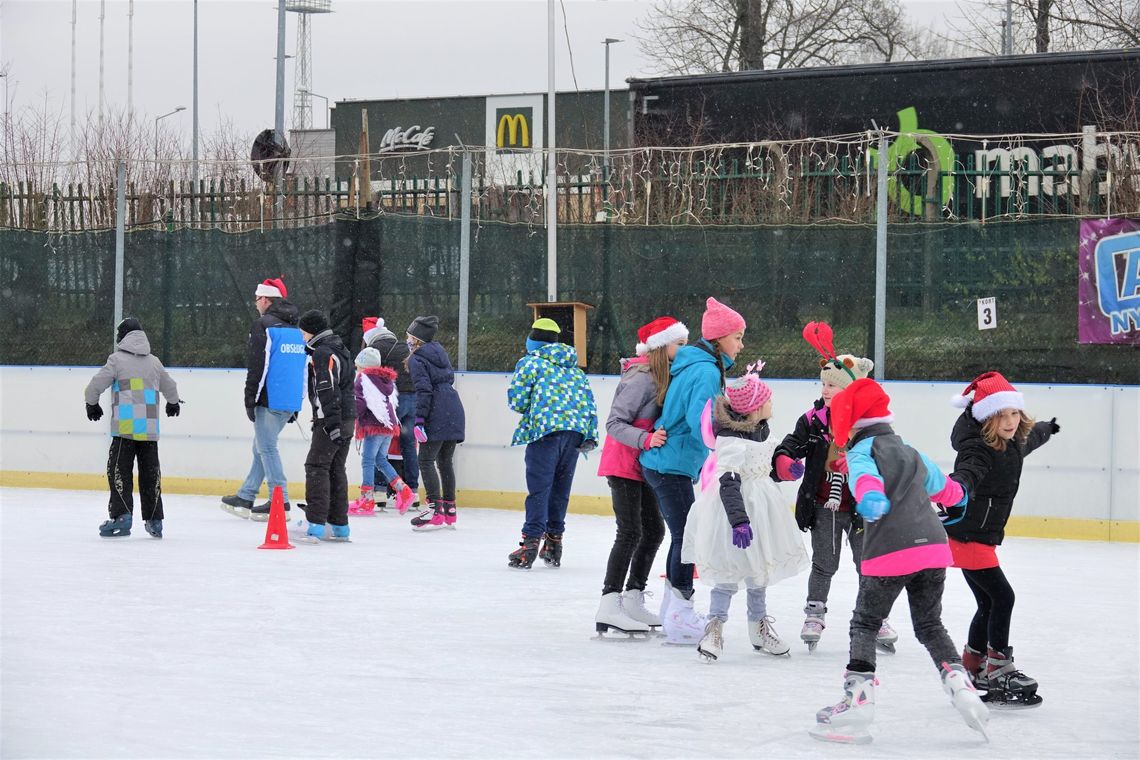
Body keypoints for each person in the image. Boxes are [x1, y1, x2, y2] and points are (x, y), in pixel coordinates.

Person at [810, 378, 988, 745]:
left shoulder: (861, 453)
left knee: (865, 623)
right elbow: (948, 490)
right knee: (929, 624)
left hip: (890, 550)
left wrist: (871, 497)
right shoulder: (911, 451)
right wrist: (960, 496)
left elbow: (865, 479)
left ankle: (858, 701)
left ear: (850, 424)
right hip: (933, 548)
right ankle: (960, 685)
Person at [772, 322, 897, 652]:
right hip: (824, 506)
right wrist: (784, 461)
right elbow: (790, 445)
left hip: (861, 508)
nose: (826, 390)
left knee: (867, 563)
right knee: (824, 564)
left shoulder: (867, 425)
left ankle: (876, 616)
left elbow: (888, 456)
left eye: (834, 385)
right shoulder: (812, 420)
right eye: (824, 383)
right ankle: (815, 613)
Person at [943, 371, 1057, 708]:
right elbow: (968, 472)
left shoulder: (1014, 442)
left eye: (1013, 413)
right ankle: (998, 667)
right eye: (1001, 415)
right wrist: (958, 488)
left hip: (976, 535)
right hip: (968, 536)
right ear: (986, 418)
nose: (1009, 421)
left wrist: (1049, 428)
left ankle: (973, 664)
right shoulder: (978, 449)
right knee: (1003, 597)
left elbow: (1031, 438)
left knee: (988, 602)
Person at [683, 362, 809, 661]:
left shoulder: (762, 430)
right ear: (754, 409)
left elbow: (766, 465)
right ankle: (714, 628)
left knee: (759, 571)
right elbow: (728, 482)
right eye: (768, 400)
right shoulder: (731, 440)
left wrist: (785, 470)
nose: (771, 404)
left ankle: (758, 627)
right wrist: (739, 521)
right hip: (733, 512)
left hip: (764, 509)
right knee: (728, 570)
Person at [640, 297, 746, 645]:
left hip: (671, 464)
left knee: (685, 536)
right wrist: (734, 430)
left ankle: (674, 607)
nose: (741, 345)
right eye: (737, 337)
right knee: (689, 537)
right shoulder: (706, 370)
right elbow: (701, 419)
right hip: (670, 464)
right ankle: (681, 613)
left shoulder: (697, 363)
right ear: (719, 339)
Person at [594, 317, 686, 635]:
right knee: (630, 532)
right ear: (662, 347)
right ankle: (609, 603)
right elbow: (614, 423)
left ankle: (633, 597)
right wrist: (646, 439)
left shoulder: (664, 376)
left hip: (644, 464)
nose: (684, 349)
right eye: (680, 343)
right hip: (623, 464)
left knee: (654, 532)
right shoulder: (642, 376)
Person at [507, 318, 599, 569]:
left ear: (533, 339)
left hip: (546, 432)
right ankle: (554, 542)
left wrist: (539, 407)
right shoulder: (575, 369)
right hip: (576, 434)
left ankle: (530, 544)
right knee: (560, 488)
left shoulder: (530, 362)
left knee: (540, 489)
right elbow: (590, 404)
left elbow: (517, 401)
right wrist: (591, 435)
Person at [84, 317, 181, 538]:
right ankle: (155, 520)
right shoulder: (154, 362)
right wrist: (173, 403)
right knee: (150, 476)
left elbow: (95, 385)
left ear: (123, 337)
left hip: (124, 431)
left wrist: (91, 404)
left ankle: (122, 517)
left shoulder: (116, 360)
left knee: (119, 472)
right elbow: (170, 386)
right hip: (148, 430)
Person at [221, 278, 306, 520]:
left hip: (269, 398)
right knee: (260, 446)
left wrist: (250, 398)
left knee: (267, 448)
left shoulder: (264, 326)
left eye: (258, 298)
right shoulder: (296, 328)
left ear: (266, 300)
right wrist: (297, 401)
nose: (256, 303)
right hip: (289, 399)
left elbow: (258, 366)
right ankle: (247, 495)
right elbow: (301, 366)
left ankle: (281, 500)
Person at [291, 310, 355, 543]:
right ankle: (339, 526)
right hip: (348, 417)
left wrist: (329, 421)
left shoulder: (322, 353)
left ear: (310, 331)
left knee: (317, 466)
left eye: (302, 331)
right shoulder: (341, 348)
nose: (302, 336)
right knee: (336, 469)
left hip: (332, 419)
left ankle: (315, 524)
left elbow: (326, 389)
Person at [404, 315, 466, 532]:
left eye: (409, 336)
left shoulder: (417, 359)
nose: (407, 339)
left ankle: (434, 510)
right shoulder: (440, 352)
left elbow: (424, 391)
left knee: (426, 460)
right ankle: (449, 509)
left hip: (437, 411)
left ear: (417, 339)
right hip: (453, 407)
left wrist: (419, 420)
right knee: (445, 461)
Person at [349, 347, 416, 516]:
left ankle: (367, 499)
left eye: (358, 366)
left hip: (374, 425)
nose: (356, 369)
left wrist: (350, 415)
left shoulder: (363, 379)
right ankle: (404, 490)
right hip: (388, 425)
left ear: (363, 366)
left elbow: (360, 403)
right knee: (380, 459)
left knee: (368, 460)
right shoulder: (386, 380)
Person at [363, 316, 419, 512]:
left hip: (394, 399)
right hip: (413, 398)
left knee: (379, 449)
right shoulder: (402, 345)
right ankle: (412, 489)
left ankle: (378, 491)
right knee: (409, 445)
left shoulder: (373, 351)